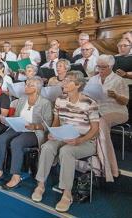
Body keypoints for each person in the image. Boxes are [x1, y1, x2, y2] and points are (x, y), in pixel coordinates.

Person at [31, 71, 99, 212]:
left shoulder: (90, 103)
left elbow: (95, 130)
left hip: (85, 141)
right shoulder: (60, 99)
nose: (64, 83)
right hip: (63, 136)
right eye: (65, 80)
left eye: (69, 81)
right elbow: (56, 122)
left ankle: (67, 193)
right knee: (47, 147)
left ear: (78, 85)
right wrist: (52, 133)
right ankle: (40, 184)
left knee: (66, 151)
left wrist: (80, 140)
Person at [0, 77, 52, 190]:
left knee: (16, 143)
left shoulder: (45, 103)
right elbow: (16, 115)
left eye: (28, 85)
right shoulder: (22, 99)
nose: (25, 87)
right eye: (26, 84)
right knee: (2, 138)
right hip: (18, 127)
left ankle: (16, 176)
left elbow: (47, 124)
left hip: (34, 131)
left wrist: (35, 126)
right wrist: (8, 120)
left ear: (36, 88)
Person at [88, 55, 129, 179]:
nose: (100, 70)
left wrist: (116, 96)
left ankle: (110, 167)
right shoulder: (93, 79)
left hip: (117, 111)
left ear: (110, 66)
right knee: (89, 121)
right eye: (98, 67)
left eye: (103, 67)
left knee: (101, 123)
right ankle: (92, 160)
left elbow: (125, 102)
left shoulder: (118, 80)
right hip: (98, 111)